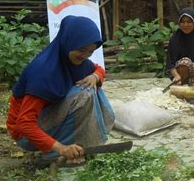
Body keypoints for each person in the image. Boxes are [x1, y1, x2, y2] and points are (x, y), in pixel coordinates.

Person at [6, 16, 115, 165]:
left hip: (46, 121)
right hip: (25, 136)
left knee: (92, 86)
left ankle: (81, 147)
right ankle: (54, 154)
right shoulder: (44, 72)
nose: (85, 56)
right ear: (69, 41)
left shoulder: (75, 61)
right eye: (81, 50)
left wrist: (96, 76)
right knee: (83, 95)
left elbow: (98, 69)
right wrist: (61, 148)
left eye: (90, 52)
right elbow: (24, 125)